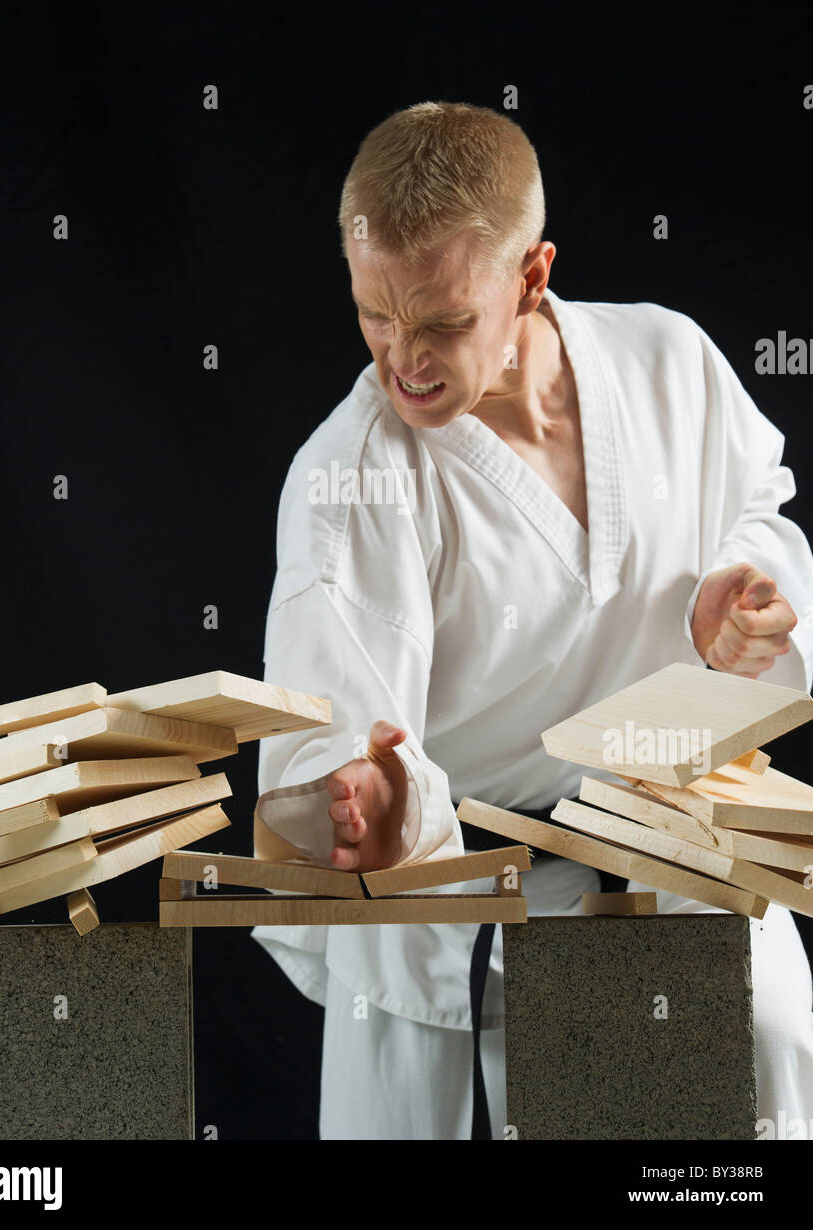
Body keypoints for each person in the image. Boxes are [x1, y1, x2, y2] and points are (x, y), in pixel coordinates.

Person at [250, 101, 813, 1139]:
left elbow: (755, 504)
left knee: (764, 1064)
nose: (400, 361)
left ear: (531, 275)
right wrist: (368, 801)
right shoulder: (350, 478)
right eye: (374, 314)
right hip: (478, 914)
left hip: (678, 855)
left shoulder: (664, 361)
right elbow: (327, 719)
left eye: (441, 322)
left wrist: (743, 589)